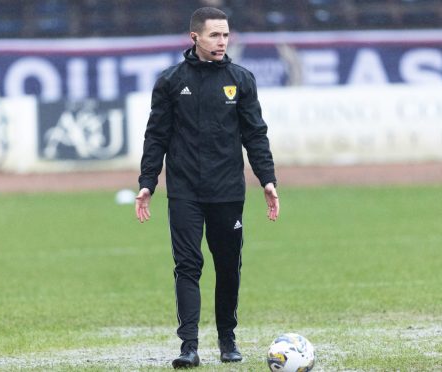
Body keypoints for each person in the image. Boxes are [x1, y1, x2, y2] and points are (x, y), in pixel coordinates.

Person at [135, 6, 280, 369]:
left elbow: (255, 134)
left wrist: (267, 179)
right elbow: (156, 136)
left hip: (228, 191)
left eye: (226, 34)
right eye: (215, 35)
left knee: (229, 266)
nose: (222, 41)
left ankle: (228, 340)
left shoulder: (241, 80)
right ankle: (189, 346)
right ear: (194, 37)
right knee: (187, 265)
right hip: (184, 190)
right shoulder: (170, 81)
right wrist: (147, 182)